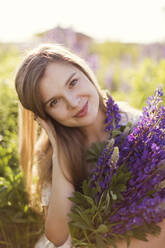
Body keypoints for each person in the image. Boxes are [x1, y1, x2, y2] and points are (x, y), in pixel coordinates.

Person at [15, 43, 165, 248]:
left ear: (84, 70)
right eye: (54, 102)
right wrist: (59, 151)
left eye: (73, 82)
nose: (73, 102)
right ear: (44, 116)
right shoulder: (53, 154)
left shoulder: (140, 128)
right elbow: (58, 236)